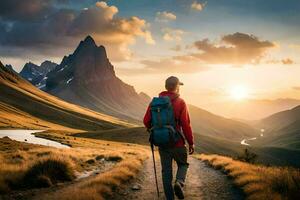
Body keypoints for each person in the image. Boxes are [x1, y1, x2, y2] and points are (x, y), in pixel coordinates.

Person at [143, 76, 195, 200]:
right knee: (183, 164)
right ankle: (179, 182)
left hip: (163, 144)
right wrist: (191, 143)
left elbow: (146, 121)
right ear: (176, 87)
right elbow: (186, 124)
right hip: (178, 143)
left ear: (166, 86)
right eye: (179, 86)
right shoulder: (181, 102)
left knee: (166, 173)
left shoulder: (154, 102)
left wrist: (157, 130)